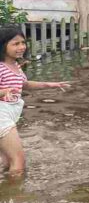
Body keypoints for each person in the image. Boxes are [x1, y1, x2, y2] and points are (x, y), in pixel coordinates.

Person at [0, 26, 70, 174]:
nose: (21, 47)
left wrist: (49, 85)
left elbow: (23, 85)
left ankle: (6, 192)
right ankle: (16, 195)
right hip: (2, 116)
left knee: (7, 162)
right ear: (3, 45)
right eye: (15, 44)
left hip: (9, 115)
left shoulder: (15, 66)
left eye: (23, 43)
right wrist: (3, 91)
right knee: (19, 163)